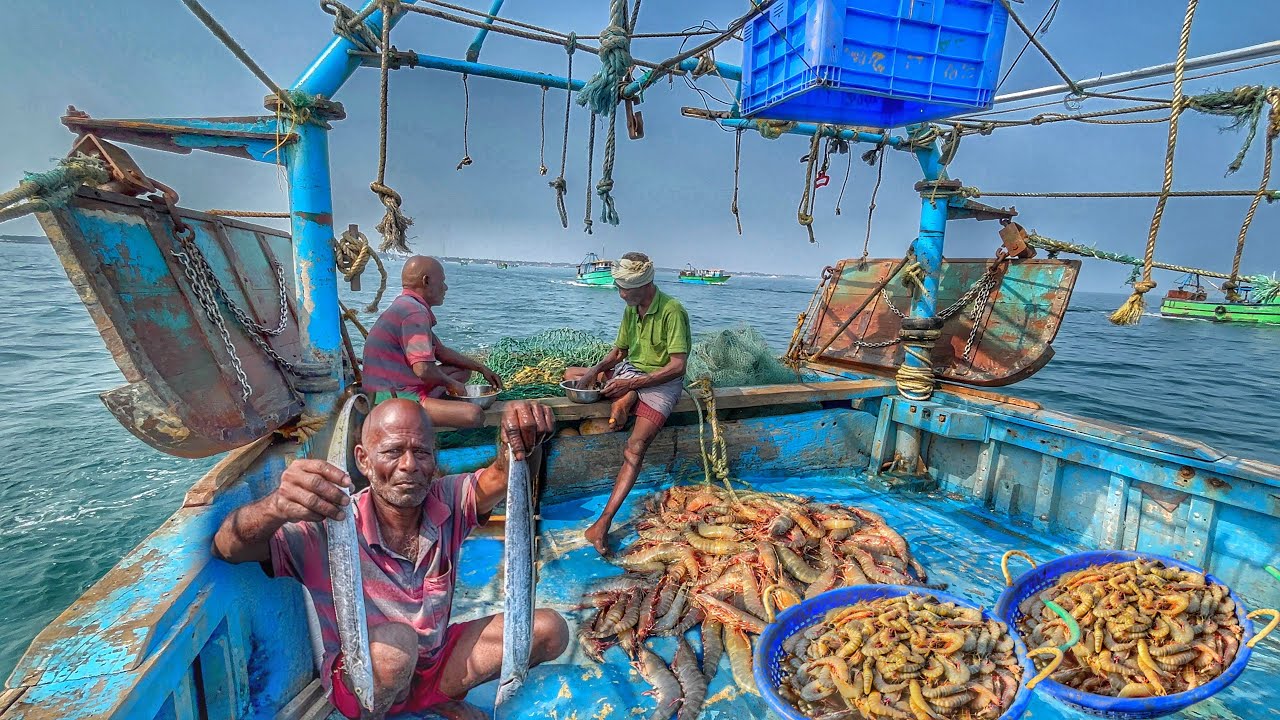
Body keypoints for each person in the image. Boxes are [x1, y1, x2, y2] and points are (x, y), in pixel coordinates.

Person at [211, 398, 568, 720]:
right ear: (363, 460)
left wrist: (519, 438)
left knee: (550, 631)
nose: (408, 465)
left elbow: (504, 476)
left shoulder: (448, 499)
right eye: (392, 451)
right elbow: (227, 547)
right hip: (366, 674)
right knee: (396, 648)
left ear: (434, 459)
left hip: (434, 663)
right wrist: (275, 506)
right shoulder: (329, 524)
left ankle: (433, 699)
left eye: (421, 452)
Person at [564, 252, 690, 555]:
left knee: (635, 448)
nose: (620, 294)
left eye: (625, 289)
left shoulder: (673, 311)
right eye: (618, 288)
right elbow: (619, 352)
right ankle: (625, 397)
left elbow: (678, 366)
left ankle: (604, 522)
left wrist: (631, 384)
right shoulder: (631, 309)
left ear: (645, 284)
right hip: (632, 372)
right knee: (571, 374)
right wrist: (595, 370)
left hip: (661, 383)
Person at [362, 255, 504, 429]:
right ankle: (424, 410)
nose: (445, 287)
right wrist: (451, 384)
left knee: (463, 371)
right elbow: (423, 369)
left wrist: (480, 368)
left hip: (391, 388)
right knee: (474, 415)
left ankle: (436, 405)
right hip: (392, 399)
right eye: (442, 281)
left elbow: (441, 352)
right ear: (426, 281)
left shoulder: (406, 305)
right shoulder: (415, 313)